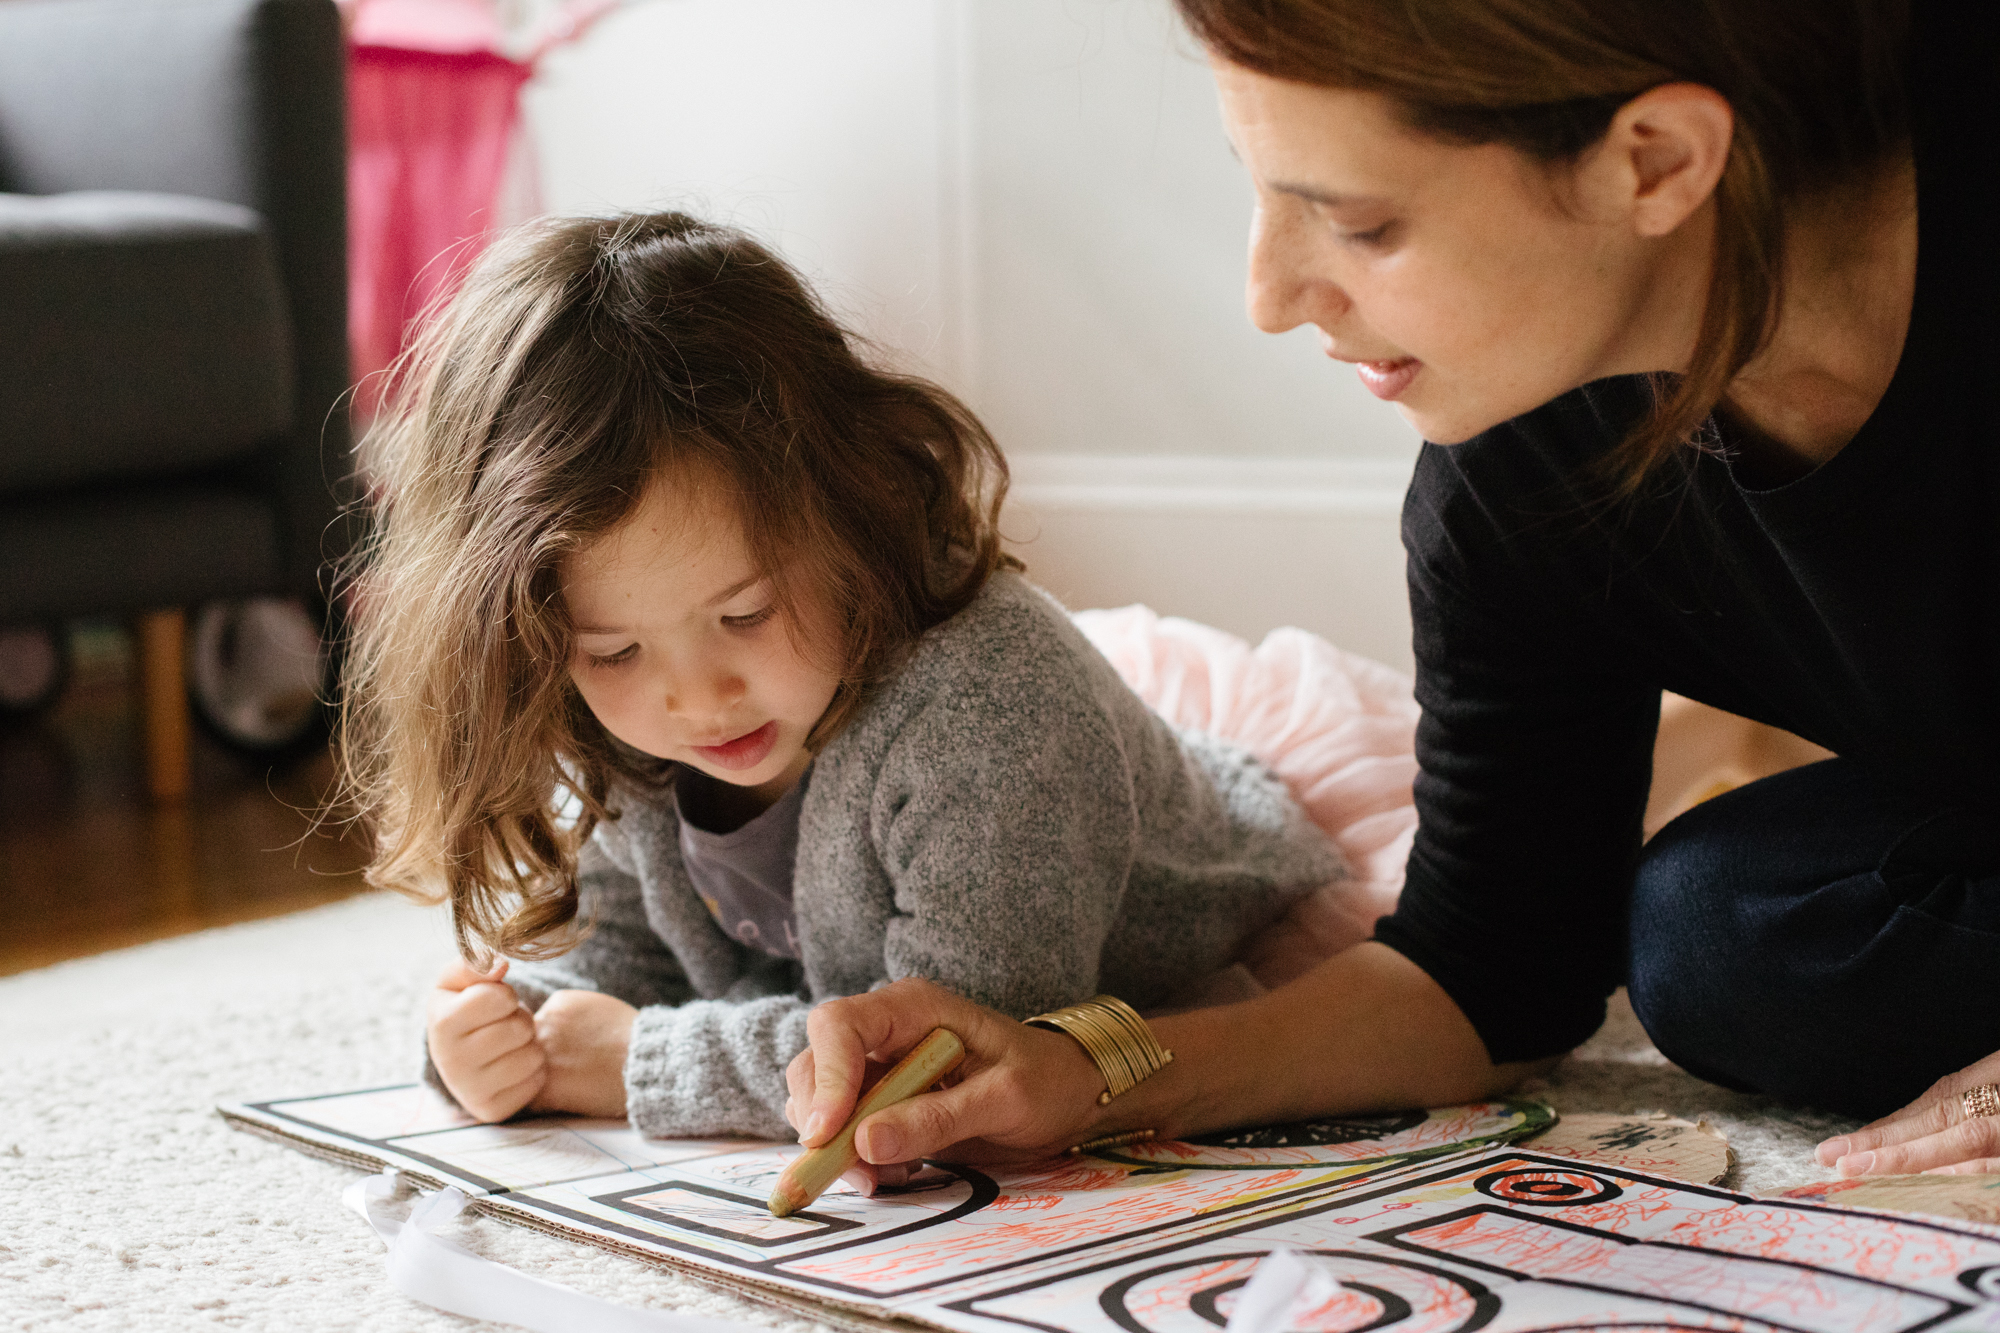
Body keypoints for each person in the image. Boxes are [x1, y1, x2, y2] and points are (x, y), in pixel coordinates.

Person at [785, 0, 2000, 1180]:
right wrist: (1083, 1071)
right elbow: (1483, 974)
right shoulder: (1523, 474)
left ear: (1656, 161)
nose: (1268, 297)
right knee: (1712, 930)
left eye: (1359, 225)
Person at [336, 211, 1346, 1139]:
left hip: (1139, 933)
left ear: (850, 520)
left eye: (743, 614)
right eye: (613, 651)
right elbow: (617, 963)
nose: (695, 695)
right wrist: (511, 1027)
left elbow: (964, 1052)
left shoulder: (992, 716)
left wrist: (633, 1064)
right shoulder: (616, 712)